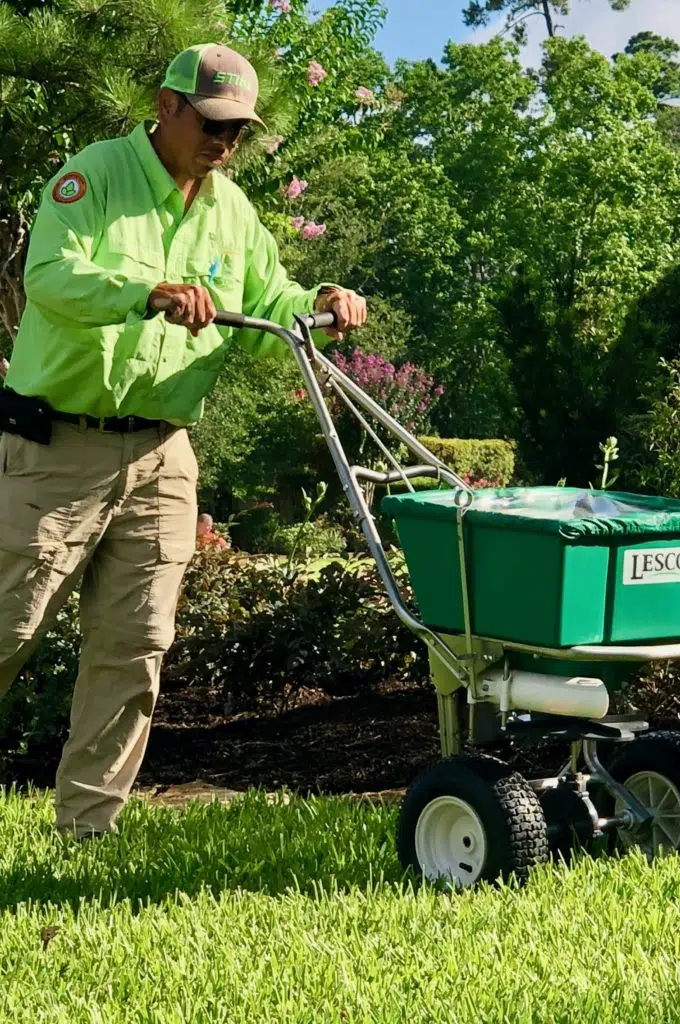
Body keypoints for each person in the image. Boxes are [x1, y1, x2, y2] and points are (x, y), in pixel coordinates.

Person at [0, 43, 367, 838]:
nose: (226, 143)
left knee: (136, 648)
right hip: (59, 445)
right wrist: (145, 292)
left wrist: (325, 302)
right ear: (167, 107)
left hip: (164, 455)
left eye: (240, 130)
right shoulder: (91, 177)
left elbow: (274, 309)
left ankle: (86, 832)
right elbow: (49, 277)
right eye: (214, 123)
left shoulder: (232, 212)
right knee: (10, 626)